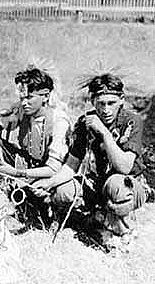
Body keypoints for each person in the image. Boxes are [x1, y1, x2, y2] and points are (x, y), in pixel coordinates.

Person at [42, 73, 149, 245]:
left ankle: (119, 224)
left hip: (128, 185)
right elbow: (71, 165)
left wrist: (104, 133)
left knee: (117, 186)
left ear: (121, 99)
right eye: (101, 104)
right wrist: (50, 183)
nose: (106, 110)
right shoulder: (86, 123)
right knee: (63, 191)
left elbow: (124, 167)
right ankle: (95, 220)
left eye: (111, 103)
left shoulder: (132, 121)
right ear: (93, 101)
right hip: (98, 183)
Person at [0, 65, 71, 220]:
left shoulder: (59, 121)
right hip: (28, 165)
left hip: (49, 176)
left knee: (44, 201)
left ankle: (45, 211)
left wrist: (15, 173)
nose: (24, 103)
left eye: (29, 98)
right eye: (22, 98)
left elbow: (54, 169)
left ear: (46, 96)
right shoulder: (21, 110)